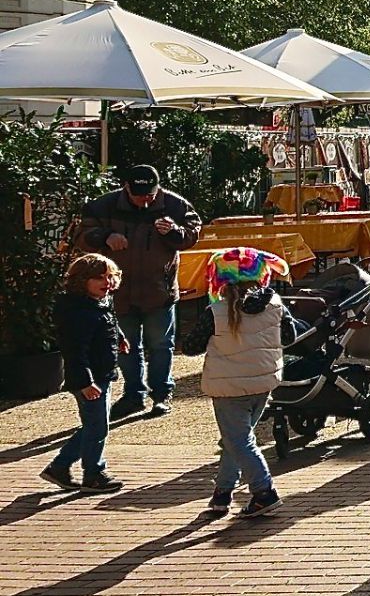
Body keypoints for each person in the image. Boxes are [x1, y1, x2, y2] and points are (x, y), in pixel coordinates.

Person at [81, 165, 201, 420]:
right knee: (127, 345)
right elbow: (83, 234)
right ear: (126, 187)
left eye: (150, 194)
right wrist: (105, 236)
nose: (145, 199)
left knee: (161, 345)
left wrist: (174, 232)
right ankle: (134, 395)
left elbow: (193, 234)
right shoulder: (103, 206)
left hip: (159, 289)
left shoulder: (175, 206)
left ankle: (162, 395)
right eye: (139, 194)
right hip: (119, 291)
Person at [201, 246, 289, 518]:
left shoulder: (215, 311)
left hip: (228, 384)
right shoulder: (275, 305)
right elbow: (290, 334)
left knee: (239, 440)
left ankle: (264, 491)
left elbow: (191, 345)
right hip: (263, 381)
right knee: (237, 439)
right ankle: (223, 493)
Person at [44, 254, 125, 494]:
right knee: (97, 427)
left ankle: (60, 466)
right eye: (100, 278)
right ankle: (93, 473)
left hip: (102, 373)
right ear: (82, 280)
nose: (107, 282)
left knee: (95, 425)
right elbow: (75, 351)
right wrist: (85, 382)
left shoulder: (100, 302)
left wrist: (119, 337)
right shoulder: (77, 312)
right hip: (90, 378)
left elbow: (108, 321)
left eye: (110, 276)